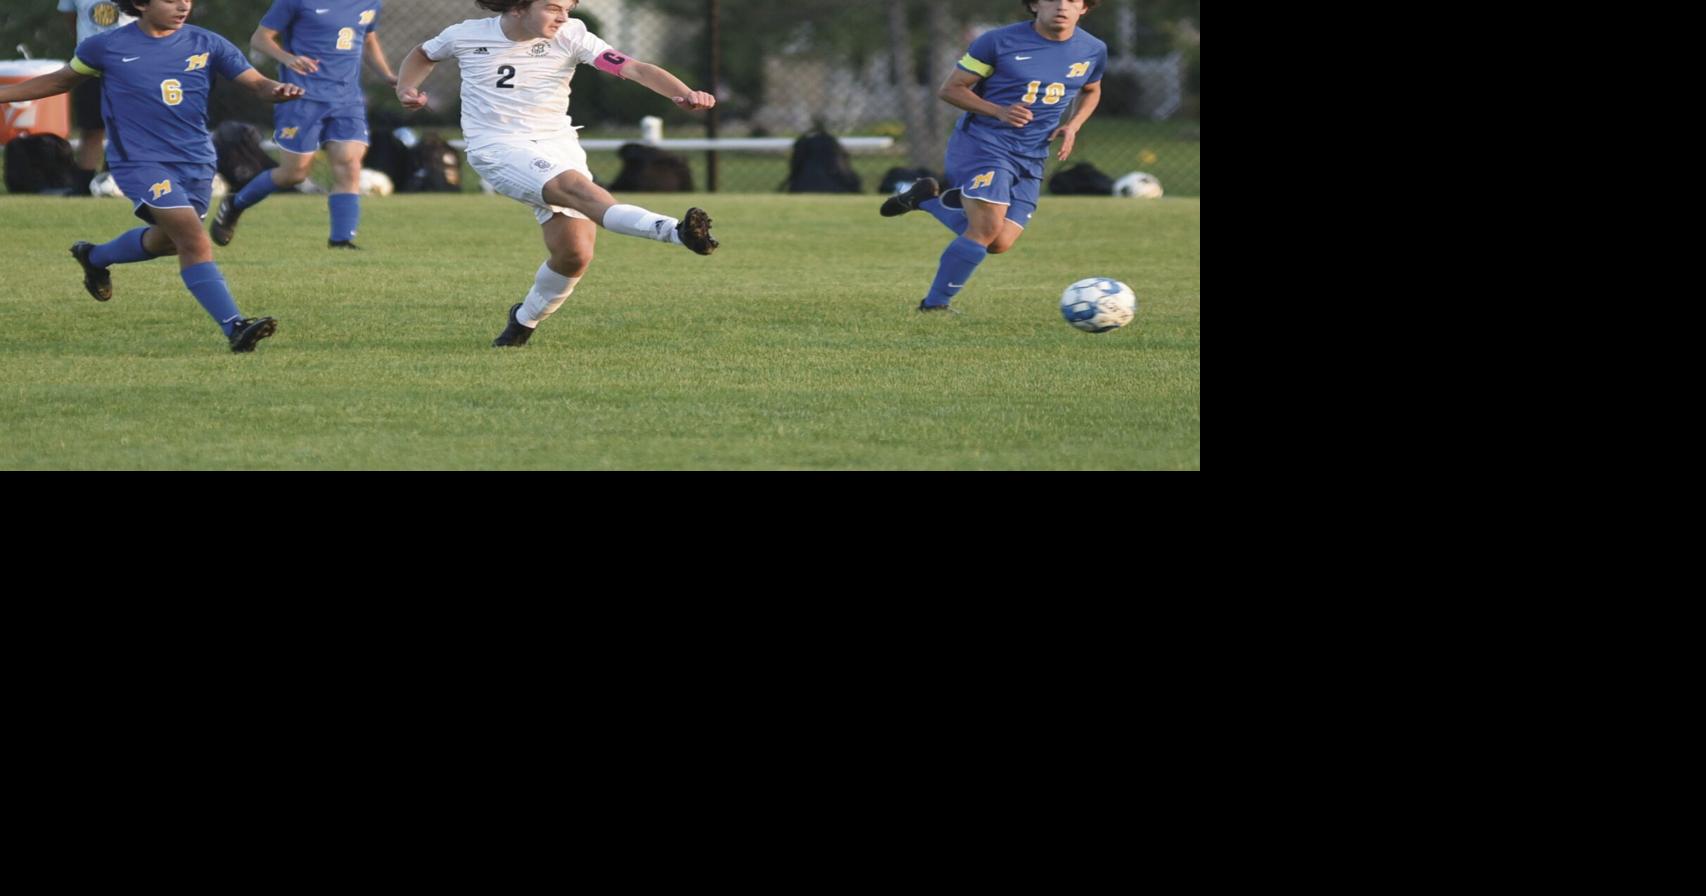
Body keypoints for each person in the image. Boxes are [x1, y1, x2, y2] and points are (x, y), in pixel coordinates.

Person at [394, 0, 719, 348]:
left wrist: (682, 94)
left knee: (575, 253)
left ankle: (522, 322)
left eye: (568, 7)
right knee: (575, 188)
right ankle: (675, 231)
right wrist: (405, 88)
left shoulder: (572, 34)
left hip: (558, 145)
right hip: (498, 147)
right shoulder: (466, 35)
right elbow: (423, 53)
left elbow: (634, 68)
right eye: (553, 7)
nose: (563, 16)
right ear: (518, 7)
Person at [0, 0, 305, 352]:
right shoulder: (105, 46)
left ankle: (95, 257)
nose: (183, 5)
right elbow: (58, 82)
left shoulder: (208, 43)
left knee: (168, 241)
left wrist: (278, 91)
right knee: (194, 239)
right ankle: (235, 327)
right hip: (139, 161)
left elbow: (257, 83)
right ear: (142, 4)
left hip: (196, 161)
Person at [881, 0, 1106, 312]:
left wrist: (1073, 125)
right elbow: (951, 89)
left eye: (1072, 0)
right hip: (983, 144)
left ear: (1084, 7)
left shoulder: (1092, 49)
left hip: (1032, 154)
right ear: (1034, 5)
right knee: (984, 231)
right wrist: (998, 111)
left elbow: (1092, 90)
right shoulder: (998, 42)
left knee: (999, 242)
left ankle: (924, 199)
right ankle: (933, 307)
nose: (1062, 6)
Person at [210, 0, 398, 249]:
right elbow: (260, 38)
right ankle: (235, 204)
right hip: (301, 98)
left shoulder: (369, 3)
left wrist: (388, 76)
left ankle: (341, 241)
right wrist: (287, 58)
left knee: (350, 166)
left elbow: (368, 38)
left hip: (347, 99)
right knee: (294, 174)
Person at [58, 0, 137, 197]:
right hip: (89, 66)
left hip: (131, 65)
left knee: (125, 126)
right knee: (91, 128)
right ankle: (83, 185)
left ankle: (116, 179)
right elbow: (71, 16)